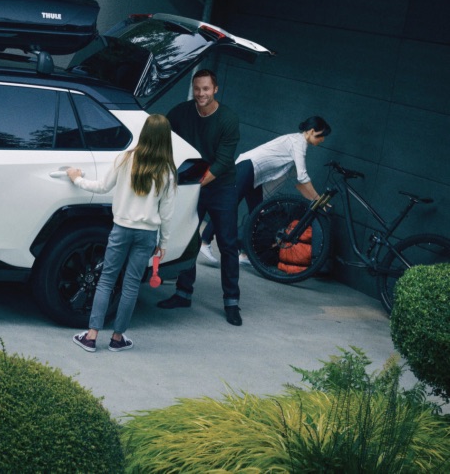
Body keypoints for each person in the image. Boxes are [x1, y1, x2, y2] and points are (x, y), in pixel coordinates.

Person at [68, 114, 176, 353]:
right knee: (131, 285)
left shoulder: (125, 159)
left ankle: (91, 336)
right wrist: (163, 243)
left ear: (144, 134)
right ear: (165, 138)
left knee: (107, 279)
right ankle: (117, 339)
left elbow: (102, 187)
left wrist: (77, 179)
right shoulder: (168, 171)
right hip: (147, 234)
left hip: (121, 229)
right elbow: (167, 213)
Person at [157, 69, 244, 326]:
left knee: (227, 243)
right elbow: (162, 139)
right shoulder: (181, 112)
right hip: (191, 184)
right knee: (188, 238)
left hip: (221, 186)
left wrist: (190, 184)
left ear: (215, 89)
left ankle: (231, 302)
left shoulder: (228, 119)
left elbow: (222, 162)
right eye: (197, 89)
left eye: (206, 89)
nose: (201, 93)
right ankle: (183, 293)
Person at [199, 116, 332, 265]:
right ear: (312, 131)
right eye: (322, 136)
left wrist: (317, 201)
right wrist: (318, 198)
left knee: (258, 215)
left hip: (255, 176)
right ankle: (205, 241)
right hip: (248, 168)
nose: (323, 140)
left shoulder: (298, 143)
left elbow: (300, 184)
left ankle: (244, 253)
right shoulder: (298, 143)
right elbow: (303, 177)